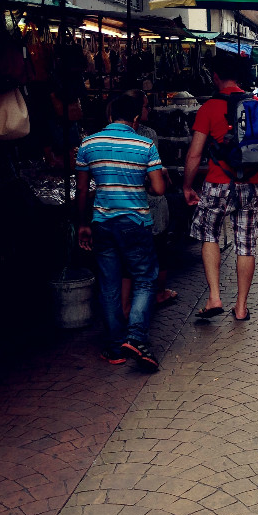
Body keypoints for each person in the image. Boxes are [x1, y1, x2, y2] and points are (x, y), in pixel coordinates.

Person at [76, 90, 166, 370]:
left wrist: (82, 224)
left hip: (102, 223)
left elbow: (82, 190)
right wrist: (142, 182)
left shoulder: (89, 143)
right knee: (144, 279)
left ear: (110, 115)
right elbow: (159, 189)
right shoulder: (145, 144)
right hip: (136, 223)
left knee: (109, 284)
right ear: (136, 118)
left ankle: (115, 347)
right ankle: (136, 337)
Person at [183, 52, 258, 322]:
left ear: (215, 76)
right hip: (250, 184)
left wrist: (187, 186)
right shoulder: (256, 103)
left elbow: (195, 154)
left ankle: (214, 297)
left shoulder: (209, 107)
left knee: (209, 235)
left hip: (217, 183)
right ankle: (241, 307)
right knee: (246, 244)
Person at [121, 93, 177, 315]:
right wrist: (159, 177)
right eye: (145, 107)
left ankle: (126, 307)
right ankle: (156, 296)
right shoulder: (147, 136)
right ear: (136, 113)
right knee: (156, 254)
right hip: (148, 204)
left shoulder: (103, 137)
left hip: (122, 209)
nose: (149, 110)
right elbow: (155, 178)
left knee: (128, 262)